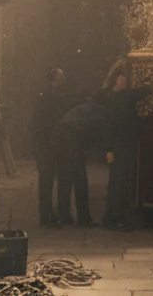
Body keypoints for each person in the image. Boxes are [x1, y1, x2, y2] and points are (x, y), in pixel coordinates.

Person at [100, 59, 151, 231]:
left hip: (116, 145)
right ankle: (115, 217)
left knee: (116, 181)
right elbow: (144, 91)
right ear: (118, 82)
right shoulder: (123, 97)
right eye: (122, 79)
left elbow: (106, 126)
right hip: (121, 145)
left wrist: (108, 149)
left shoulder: (111, 99)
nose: (124, 82)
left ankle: (111, 217)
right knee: (120, 181)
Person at [51, 97, 111, 227]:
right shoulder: (101, 112)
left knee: (65, 179)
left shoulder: (88, 107)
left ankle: (65, 216)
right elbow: (100, 135)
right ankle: (84, 218)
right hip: (70, 139)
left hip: (61, 136)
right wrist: (108, 150)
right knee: (80, 180)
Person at [30, 67, 76, 227]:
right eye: (61, 75)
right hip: (48, 143)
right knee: (48, 178)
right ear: (55, 78)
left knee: (47, 179)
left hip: (44, 142)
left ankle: (47, 213)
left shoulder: (46, 94)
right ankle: (48, 214)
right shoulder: (53, 96)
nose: (64, 78)